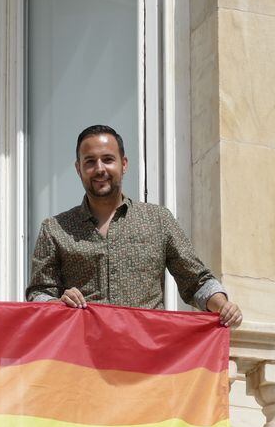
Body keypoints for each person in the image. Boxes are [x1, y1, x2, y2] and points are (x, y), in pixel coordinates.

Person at [26, 124, 243, 327]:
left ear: (124, 164)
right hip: (82, 358)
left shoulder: (158, 220)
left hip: (148, 357)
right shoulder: (54, 228)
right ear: (78, 168)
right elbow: (38, 295)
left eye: (108, 159)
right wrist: (59, 304)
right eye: (90, 161)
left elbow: (196, 280)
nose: (99, 168)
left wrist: (223, 306)